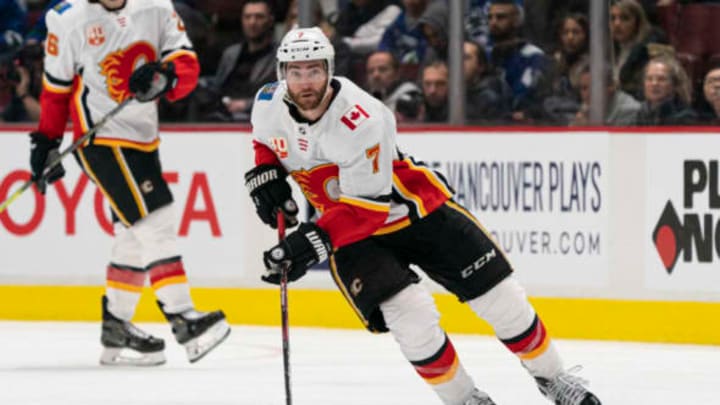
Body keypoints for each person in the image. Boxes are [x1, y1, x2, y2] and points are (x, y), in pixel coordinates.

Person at [244, 26, 602, 405]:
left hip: (414, 211)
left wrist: (308, 243)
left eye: (314, 70)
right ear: (282, 73)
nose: (305, 82)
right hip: (350, 236)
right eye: (296, 72)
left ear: (330, 69)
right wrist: (264, 174)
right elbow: (266, 143)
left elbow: (368, 210)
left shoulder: (363, 118)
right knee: (410, 320)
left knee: (502, 300)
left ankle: (553, 378)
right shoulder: (267, 102)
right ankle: (465, 399)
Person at [28, 0, 230, 366]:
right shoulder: (68, 18)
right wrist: (46, 142)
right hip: (99, 138)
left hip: (143, 138)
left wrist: (166, 75)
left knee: (132, 231)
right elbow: (56, 88)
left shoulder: (155, 6)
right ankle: (182, 316)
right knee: (155, 218)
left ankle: (117, 327)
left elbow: (186, 62)